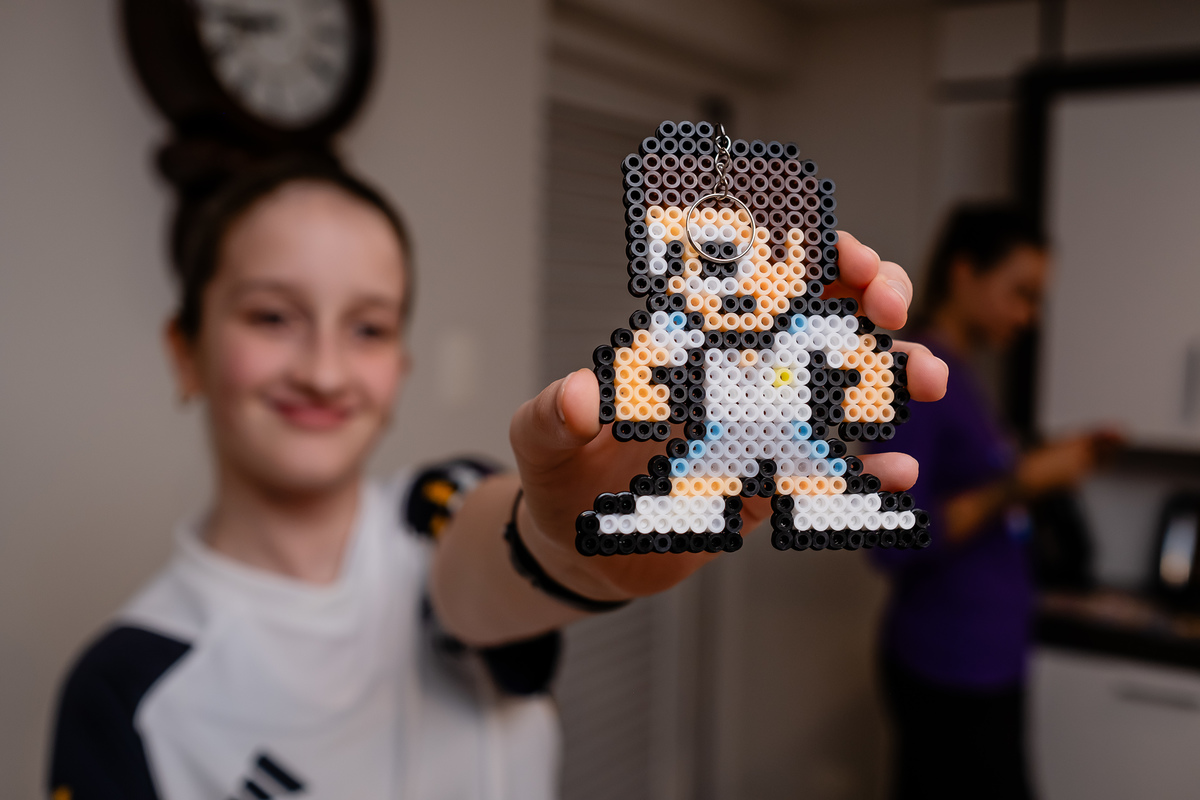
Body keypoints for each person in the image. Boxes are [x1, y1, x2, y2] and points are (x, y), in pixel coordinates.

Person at [47, 149, 947, 799]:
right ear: (186, 350)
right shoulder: (131, 686)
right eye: (272, 317)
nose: (323, 370)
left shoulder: (434, 509)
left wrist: (577, 546)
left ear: (399, 367)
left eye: (368, 328)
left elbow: (497, 559)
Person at [871, 204, 1118, 800]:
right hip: (949, 667)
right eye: (1020, 293)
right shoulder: (916, 375)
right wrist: (1025, 480)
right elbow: (890, 538)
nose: (1029, 316)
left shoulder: (963, 374)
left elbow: (972, 487)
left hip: (986, 662)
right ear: (964, 274)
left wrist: (1045, 465)